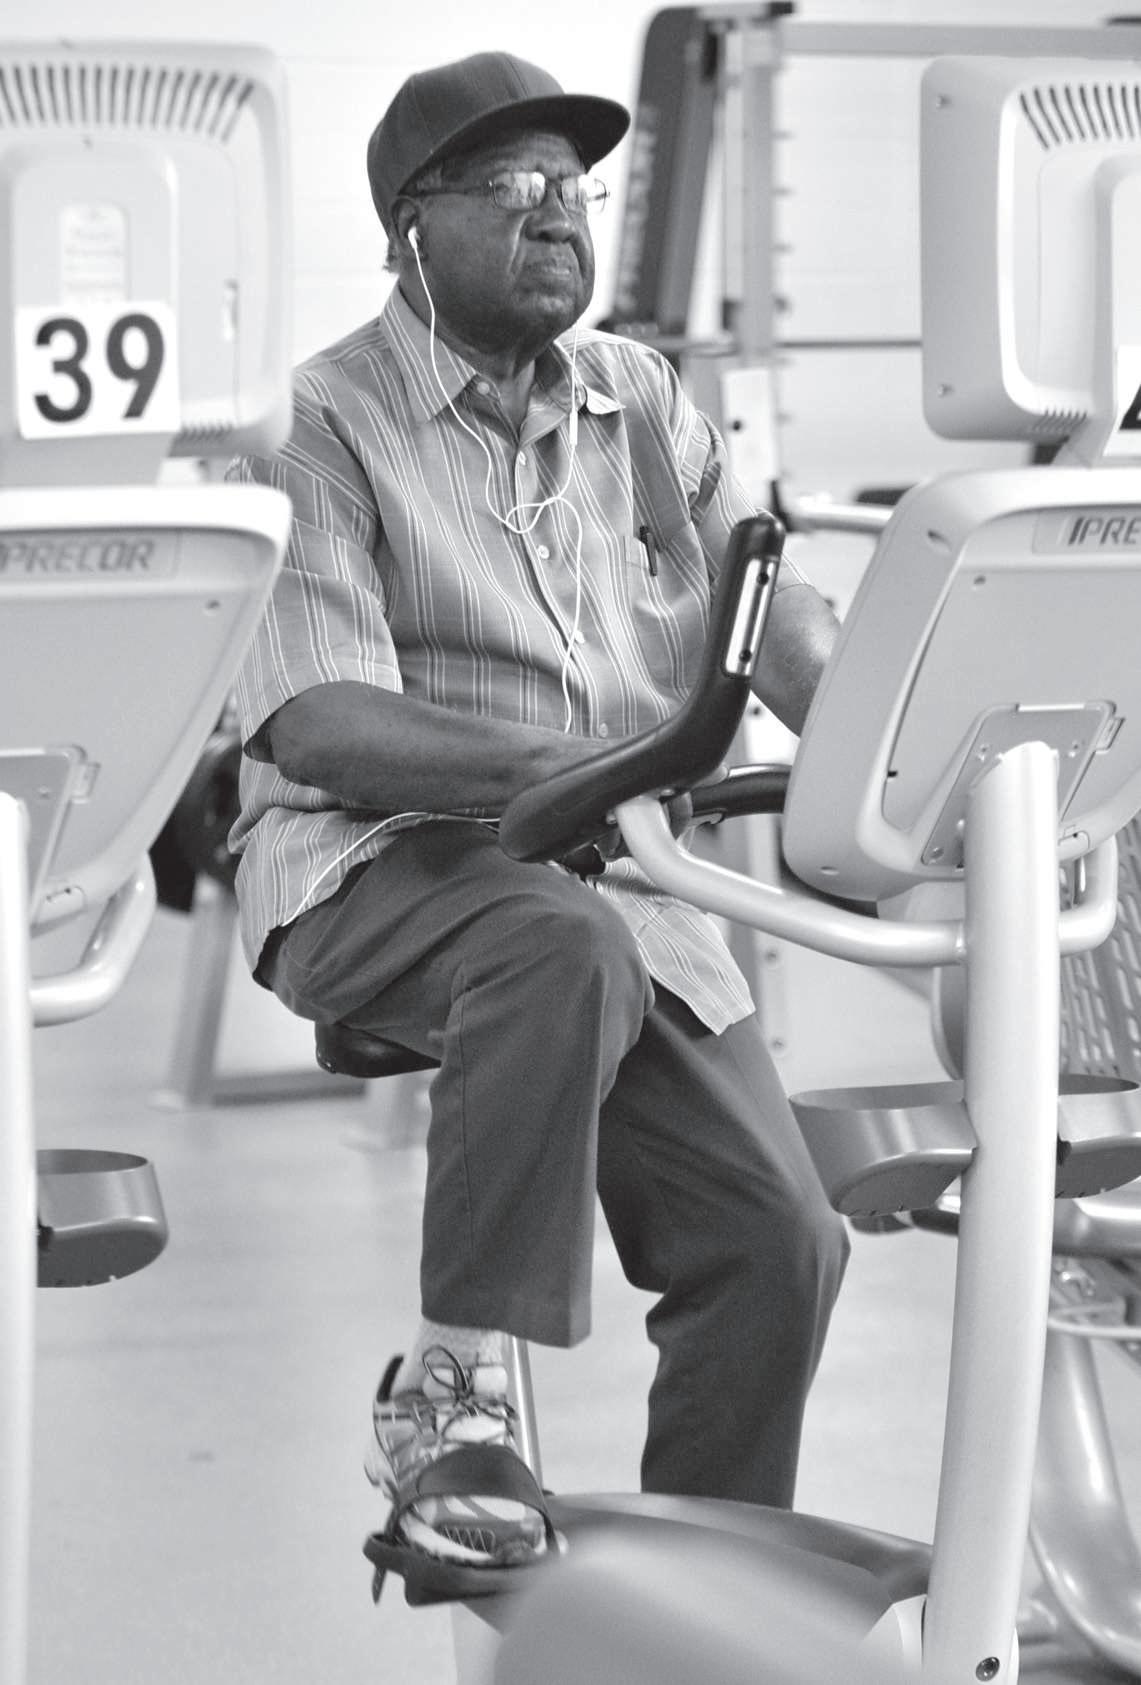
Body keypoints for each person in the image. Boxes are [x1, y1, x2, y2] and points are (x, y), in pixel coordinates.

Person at [227, 49, 849, 1576]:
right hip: (373, 864)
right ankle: (446, 1402)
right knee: (552, 944)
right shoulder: (317, 422)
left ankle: (702, 1595)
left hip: (613, 879)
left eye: (572, 186)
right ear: (409, 226)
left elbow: (769, 616)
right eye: (509, 185)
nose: (555, 213)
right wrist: (575, 770)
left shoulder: (638, 397)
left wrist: (901, 734)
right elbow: (316, 715)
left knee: (775, 1237)